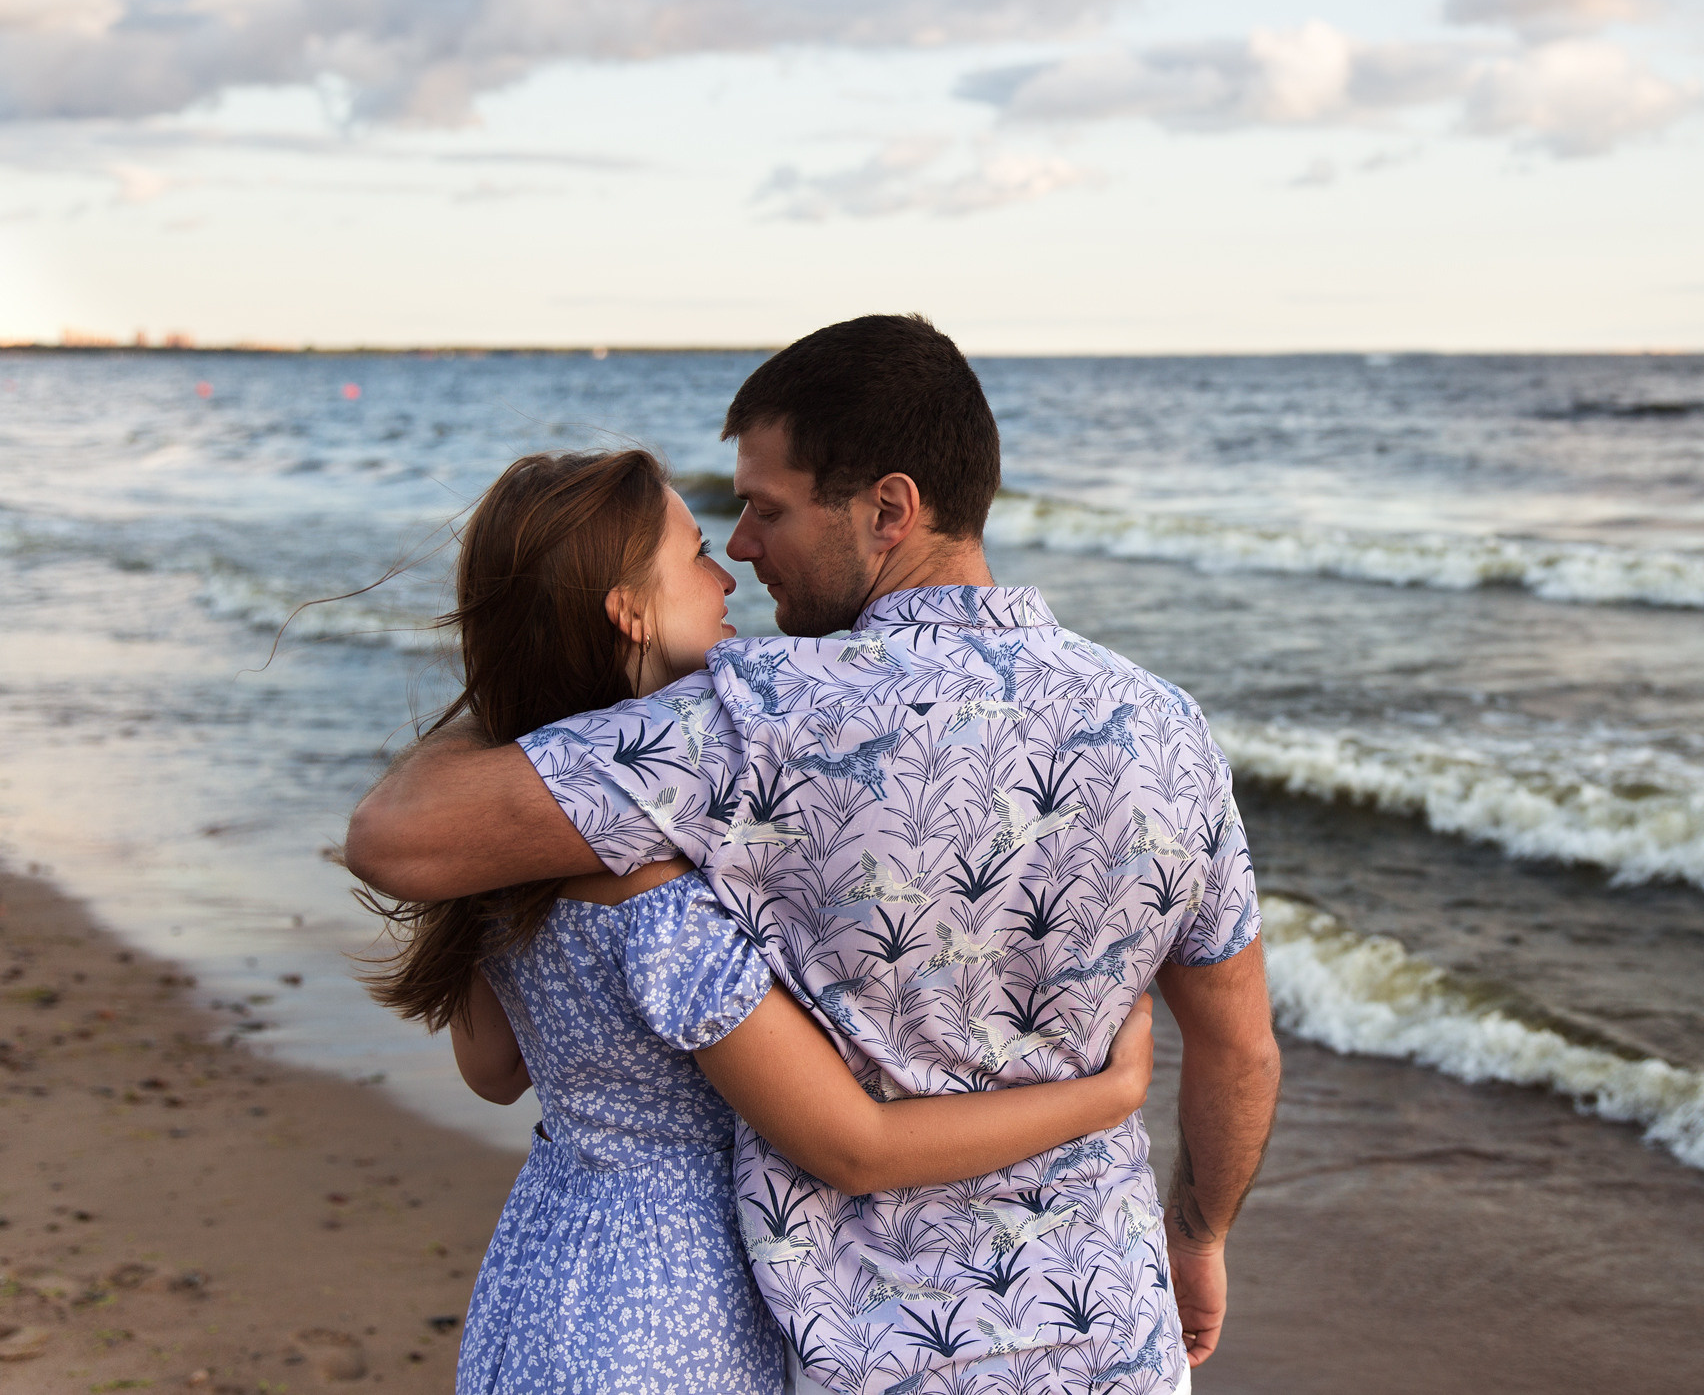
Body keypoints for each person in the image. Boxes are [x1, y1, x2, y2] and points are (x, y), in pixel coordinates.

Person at [345, 315, 1281, 1395]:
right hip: (1113, 1337)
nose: (740, 545)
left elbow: (402, 838)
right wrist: (1199, 1232)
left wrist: (525, 681)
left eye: (766, 508)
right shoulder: (1167, 728)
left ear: (890, 509)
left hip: (869, 1353)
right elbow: (1240, 1051)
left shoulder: (752, 723)